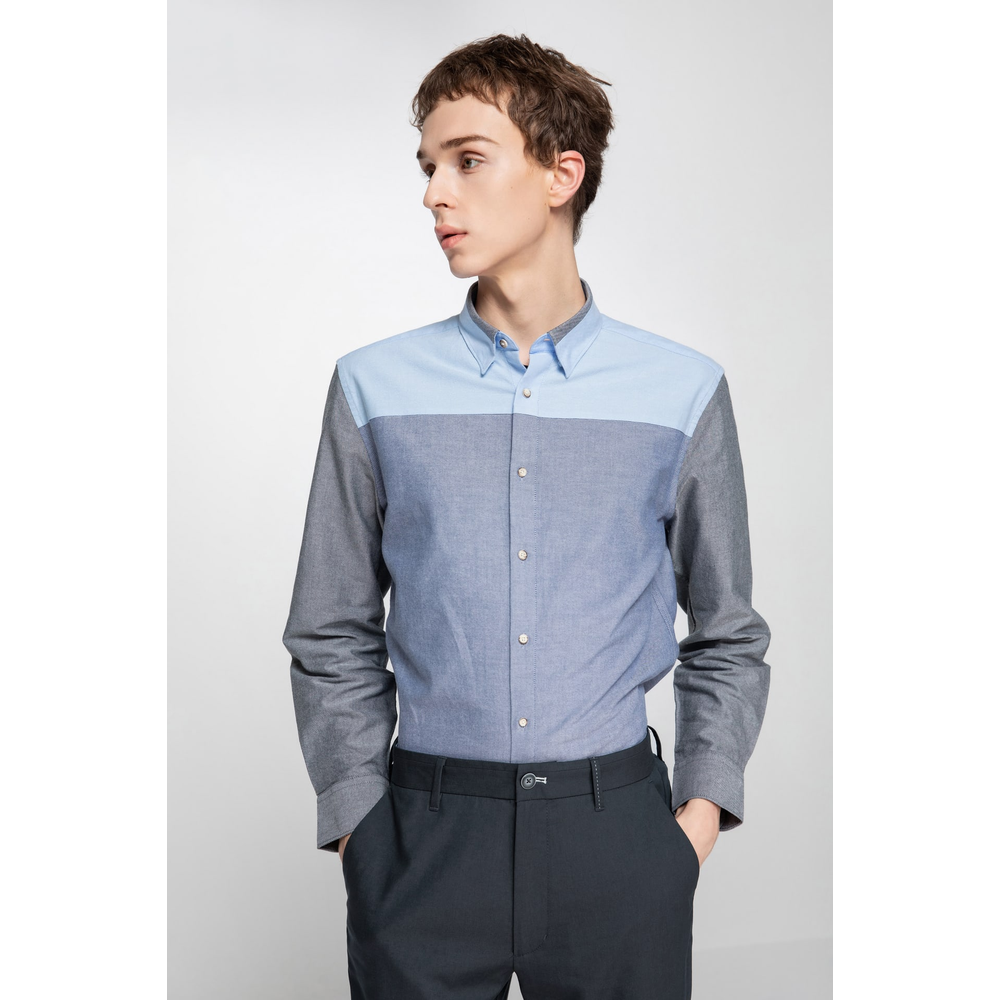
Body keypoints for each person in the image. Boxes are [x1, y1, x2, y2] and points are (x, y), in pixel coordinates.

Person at [282, 32, 771, 1000]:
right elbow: (330, 626)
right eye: (427, 166)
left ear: (560, 174)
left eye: (467, 160)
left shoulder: (680, 391)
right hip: (421, 838)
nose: (434, 193)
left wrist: (695, 820)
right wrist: (358, 824)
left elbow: (728, 631)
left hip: (616, 836)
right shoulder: (372, 386)